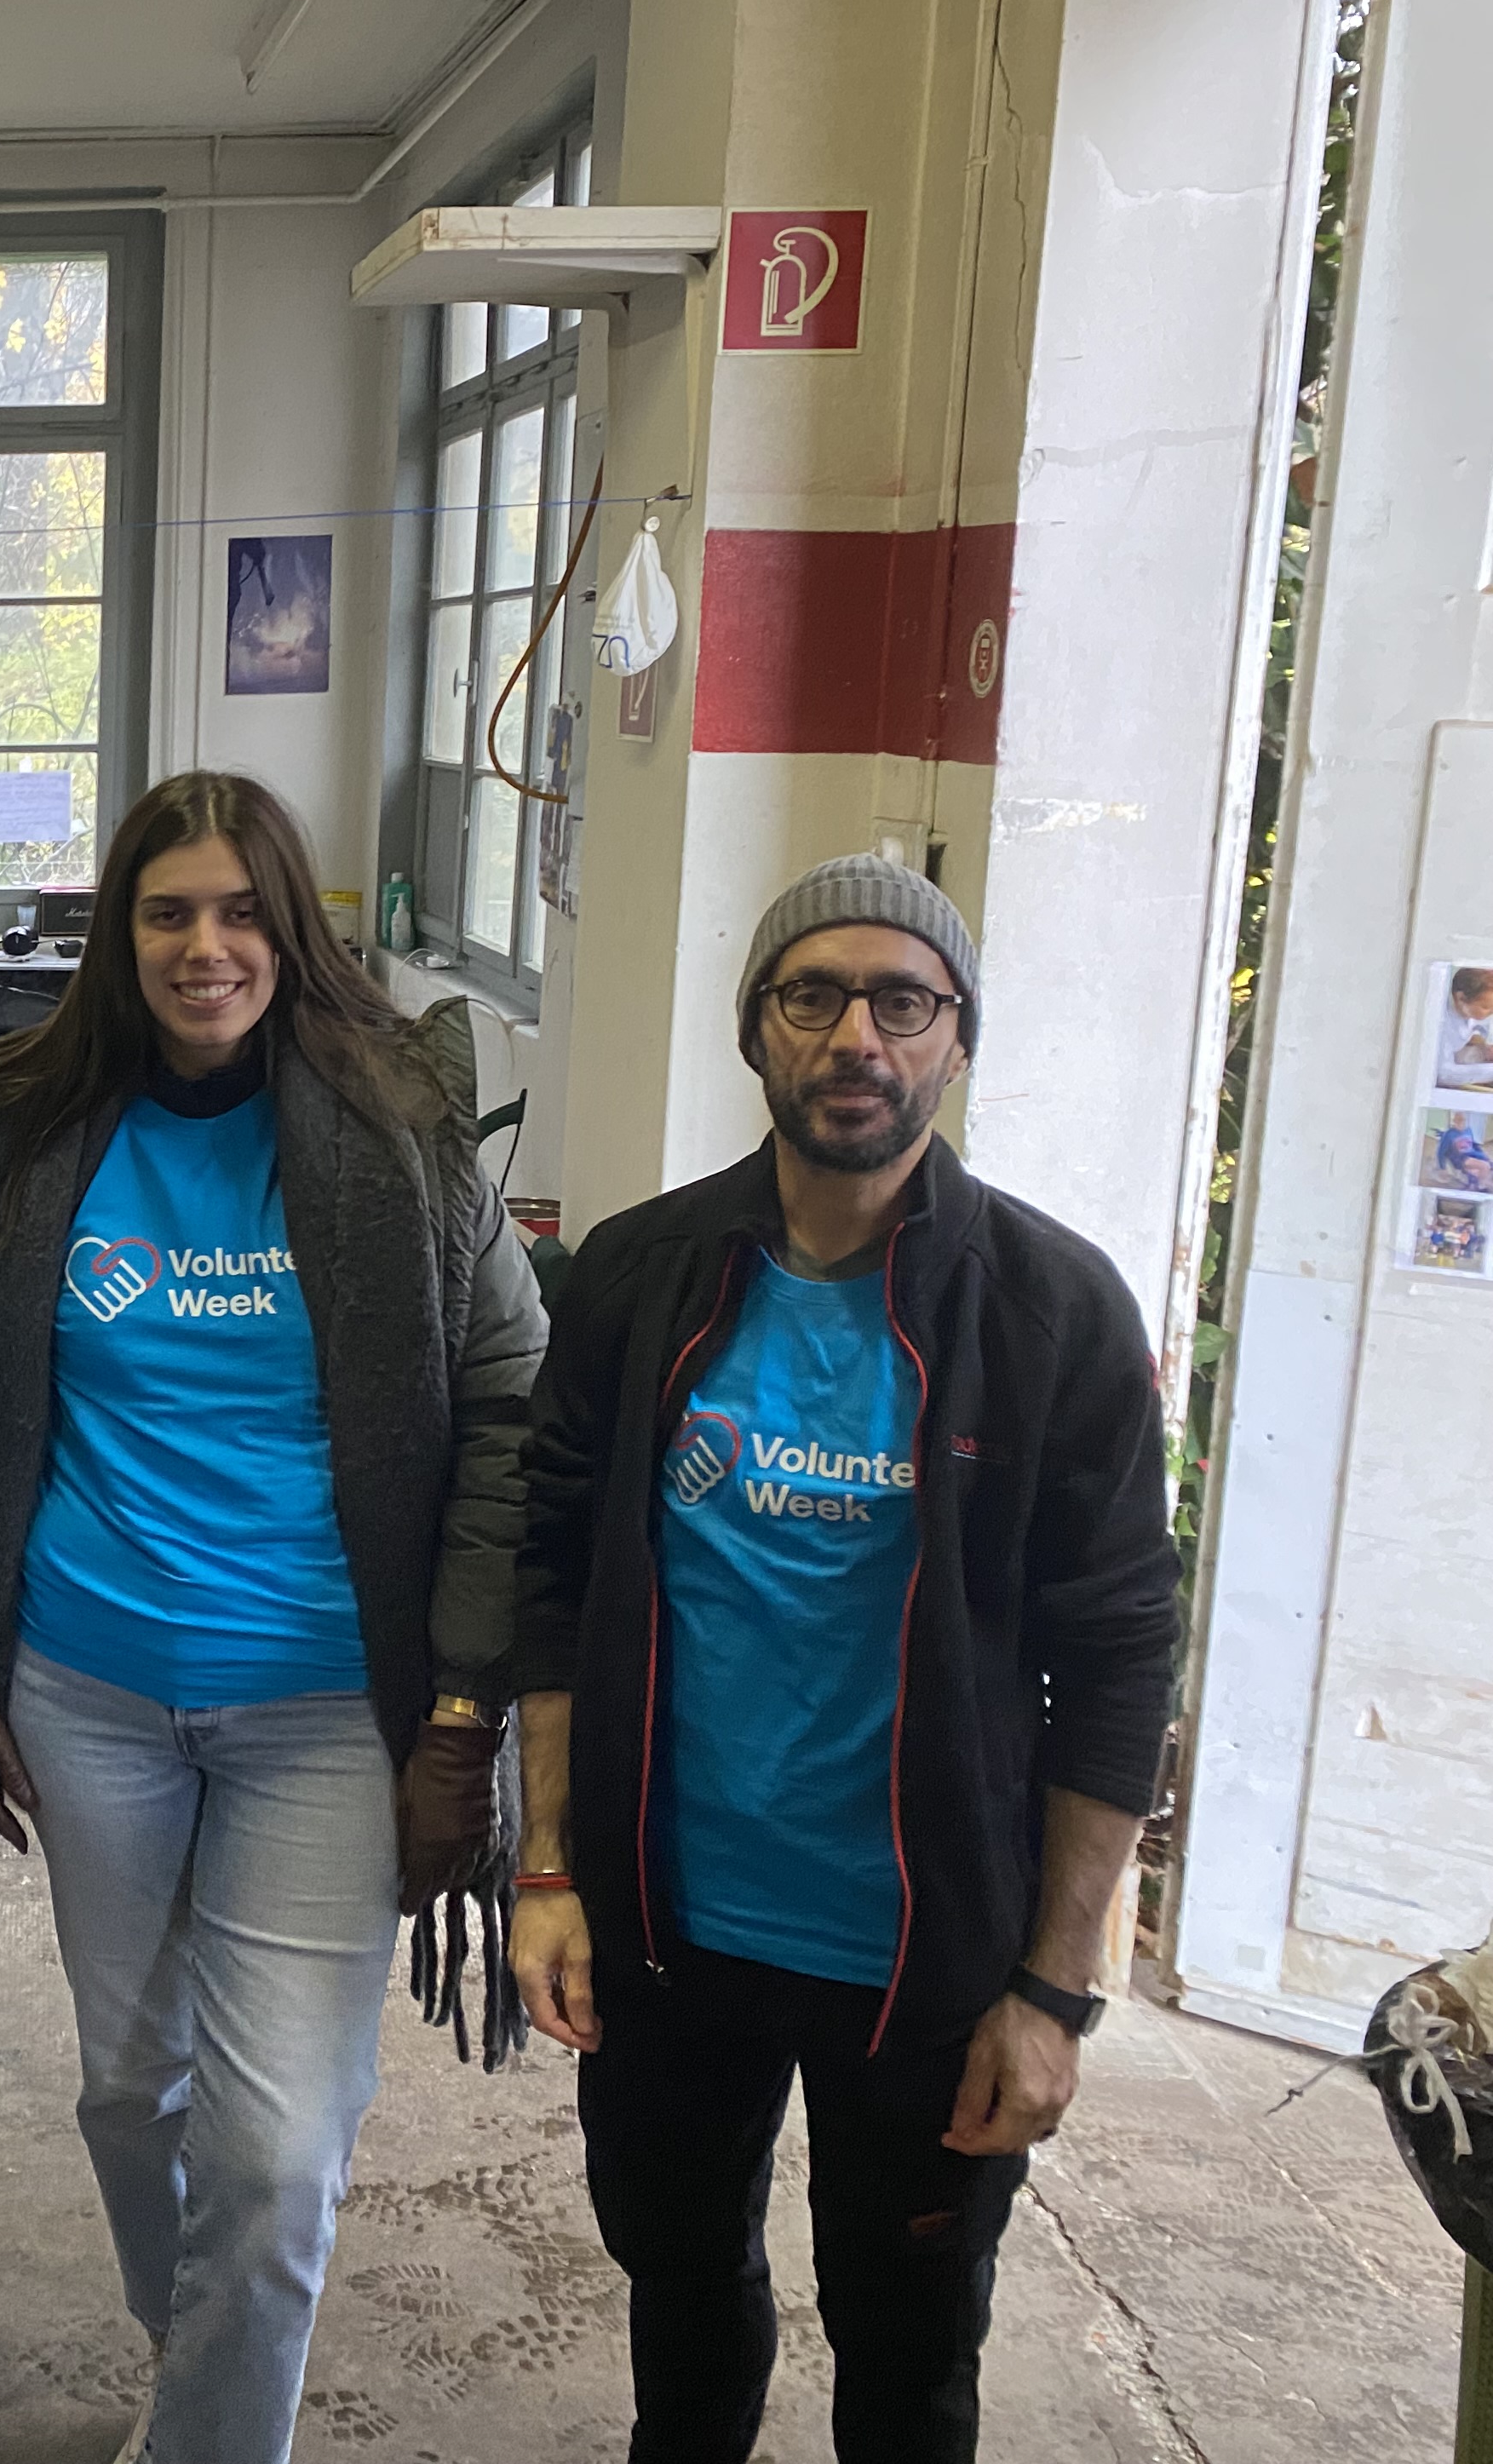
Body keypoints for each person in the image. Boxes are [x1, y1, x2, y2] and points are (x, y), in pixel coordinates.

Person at [0, 770, 547, 2464]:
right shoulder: (19, 1126)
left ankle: (210, 2433)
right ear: (120, 932)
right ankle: (212, 2361)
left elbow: (505, 1400)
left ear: (294, 925)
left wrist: (465, 1708)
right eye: (168, 911)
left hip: (325, 1708)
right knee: (130, 2092)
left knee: (270, 2148)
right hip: (90, 1696)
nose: (205, 945)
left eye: (243, 909)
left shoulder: (400, 1125)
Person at [508, 853, 1180, 2464]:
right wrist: (550, 1866)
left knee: (909, 2347)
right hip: (676, 1928)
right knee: (679, 2297)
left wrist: (1055, 1989)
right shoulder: (642, 1273)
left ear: (955, 1039)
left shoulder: (1052, 1311)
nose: (857, 1038)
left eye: (904, 1001)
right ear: (758, 1031)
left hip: (929, 1952)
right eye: (813, 996)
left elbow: (1117, 1659)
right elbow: (551, 1568)